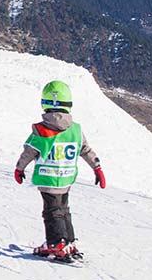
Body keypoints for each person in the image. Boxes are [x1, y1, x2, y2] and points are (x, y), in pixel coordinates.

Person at [14, 80, 106, 262]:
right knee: (63, 209)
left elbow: (29, 152)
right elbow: (85, 150)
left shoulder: (41, 130)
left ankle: (56, 243)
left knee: (51, 211)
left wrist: (19, 168)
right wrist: (97, 167)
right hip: (66, 179)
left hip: (48, 180)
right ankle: (68, 241)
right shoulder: (76, 130)